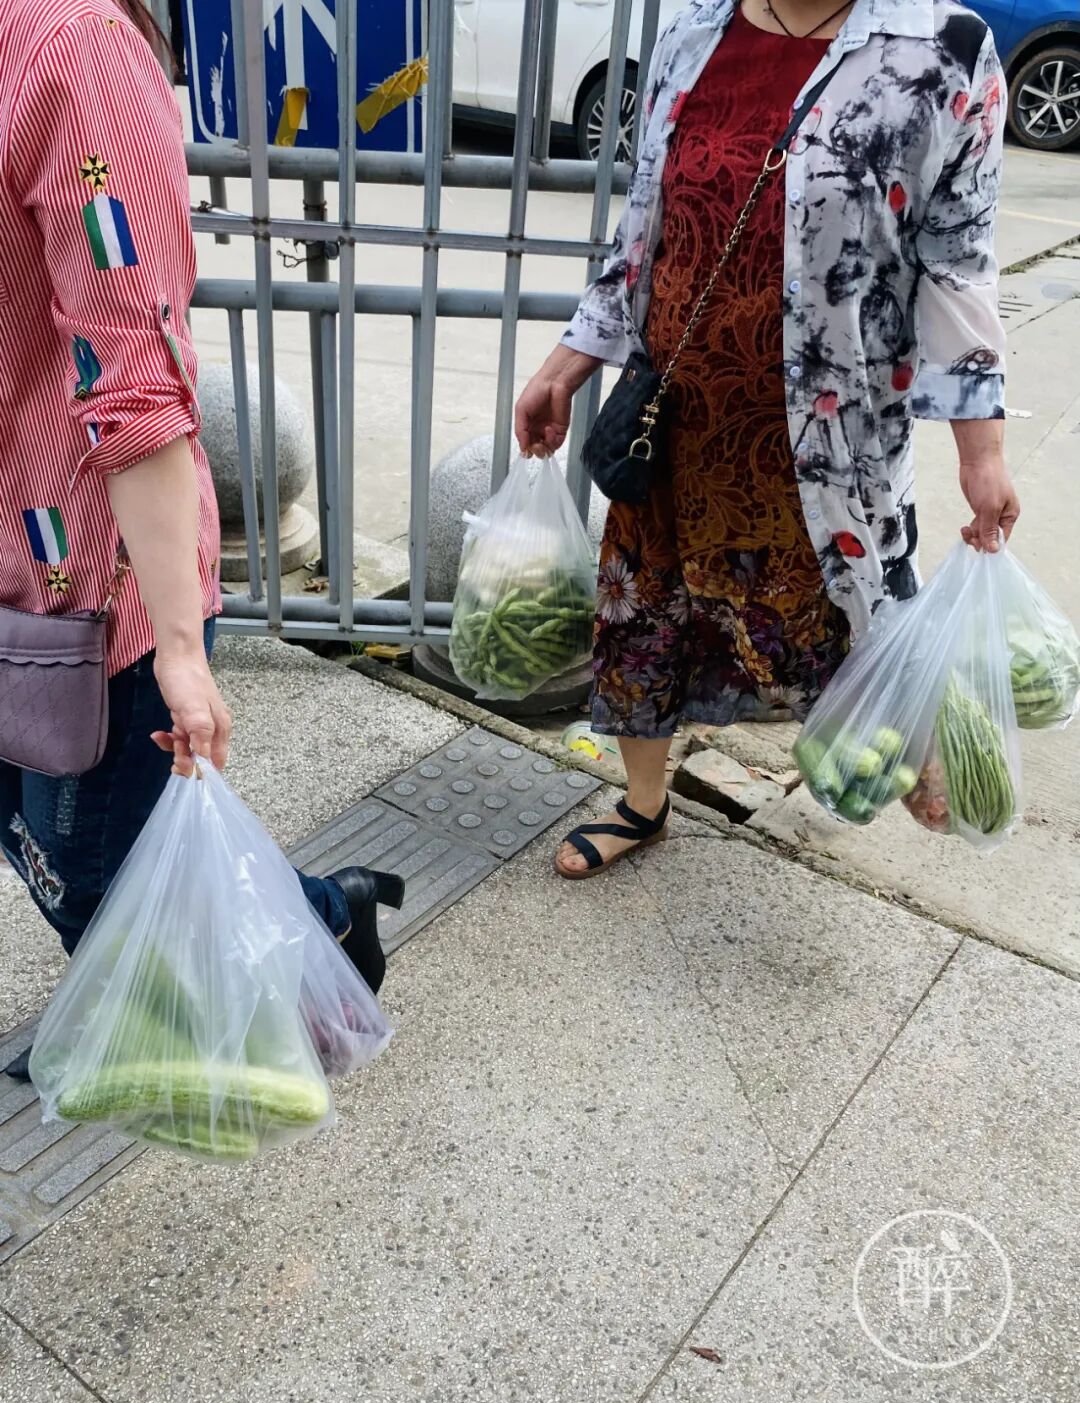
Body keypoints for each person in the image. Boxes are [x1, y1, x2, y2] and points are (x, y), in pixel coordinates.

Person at [515, 0, 1020, 879]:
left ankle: (910, 751)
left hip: (826, 444)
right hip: (673, 419)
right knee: (646, 617)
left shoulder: (946, 50)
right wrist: (568, 361)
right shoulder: (692, 36)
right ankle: (643, 802)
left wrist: (983, 452)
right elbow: (643, 238)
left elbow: (956, 266)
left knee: (847, 625)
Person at [0, 0, 401, 1080]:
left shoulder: (71, 48)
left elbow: (135, 372)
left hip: (91, 577)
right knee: (36, 836)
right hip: (9, 557)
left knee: (90, 863)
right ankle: (285, 934)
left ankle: (310, 939)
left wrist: (181, 650)